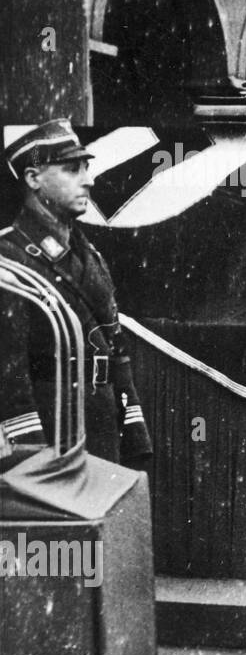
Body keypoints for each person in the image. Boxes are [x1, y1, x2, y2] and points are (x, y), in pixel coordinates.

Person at [0, 119, 152, 464]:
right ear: (33, 178)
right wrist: (29, 452)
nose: (90, 180)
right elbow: (9, 369)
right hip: (50, 430)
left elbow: (116, 349)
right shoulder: (9, 258)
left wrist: (133, 428)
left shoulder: (89, 255)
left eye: (86, 167)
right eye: (72, 170)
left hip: (100, 424)